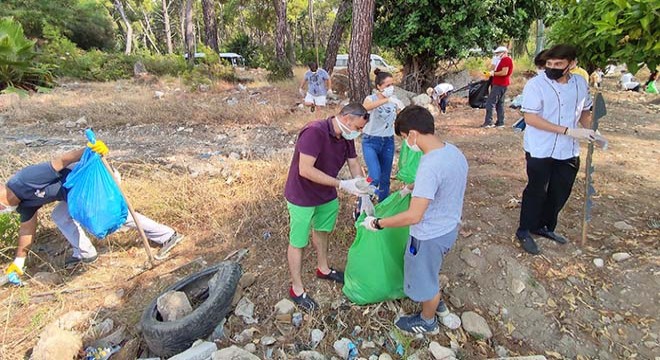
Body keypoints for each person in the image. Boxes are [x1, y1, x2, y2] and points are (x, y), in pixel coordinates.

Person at [1, 142, 185, 282]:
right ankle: (85, 253)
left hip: (95, 179)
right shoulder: (22, 204)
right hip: (75, 193)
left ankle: (168, 235)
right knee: (59, 215)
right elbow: (27, 230)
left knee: (110, 216)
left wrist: (90, 150)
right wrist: (19, 261)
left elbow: (62, 160)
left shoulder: (24, 179)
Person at [362, 105, 468, 334]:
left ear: (412, 134)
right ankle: (433, 298)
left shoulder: (430, 165)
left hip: (429, 234)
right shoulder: (452, 152)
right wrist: (412, 188)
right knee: (430, 269)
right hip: (449, 227)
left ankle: (427, 320)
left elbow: (414, 215)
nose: (406, 144)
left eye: (403, 139)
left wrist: (378, 223)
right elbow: (445, 185)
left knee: (424, 276)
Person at [515, 44, 607, 255]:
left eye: (558, 64)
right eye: (549, 64)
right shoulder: (535, 85)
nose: (552, 68)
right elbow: (531, 118)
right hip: (540, 147)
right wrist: (567, 131)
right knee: (537, 189)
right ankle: (525, 230)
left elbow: (584, 112)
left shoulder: (580, 84)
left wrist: (593, 131)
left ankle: (545, 226)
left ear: (571, 64)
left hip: (568, 150)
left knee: (560, 191)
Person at [284, 103, 372, 311]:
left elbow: (353, 163)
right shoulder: (314, 132)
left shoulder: (345, 136)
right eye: (358, 128)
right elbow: (305, 170)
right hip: (302, 195)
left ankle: (323, 268)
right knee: (298, 241)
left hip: (326, 194)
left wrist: (362, 189)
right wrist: (342, 184)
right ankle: (296, 289)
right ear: (347, 118)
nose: (359, 133)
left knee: (323, 231)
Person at [361, 69, 404, 202]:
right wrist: (386, 100)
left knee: (385, 179)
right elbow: (366, 108)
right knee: (374, 176)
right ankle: (362, 203)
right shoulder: (371, 99)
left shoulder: (393, 101)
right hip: (370, 141)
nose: (391, 88)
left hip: (388, 141)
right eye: (387, 85)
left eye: (392, 85)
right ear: (379, 87)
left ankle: (382, 208)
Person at [482, 46, 514, 128]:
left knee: (490, 102)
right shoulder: (502, 60)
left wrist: (493, 73)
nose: (497, 55)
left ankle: (489, 122)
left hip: (500, 84)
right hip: (501, 84)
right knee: (500, 103)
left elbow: (504, 72)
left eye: (499, 53)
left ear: (504, 52)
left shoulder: (506, 60)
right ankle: (500, 122)